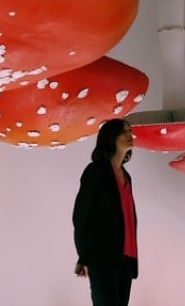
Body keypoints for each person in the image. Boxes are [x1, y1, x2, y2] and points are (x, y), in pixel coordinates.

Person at [72, 118, 138, 306]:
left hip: (126, 259)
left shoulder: (127, 177)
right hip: (102, 258)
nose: (129, 135)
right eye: (124, 131)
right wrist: (83, 256)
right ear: (111, 137)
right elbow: (81, 216)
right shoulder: (96, 171)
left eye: (130, 131)